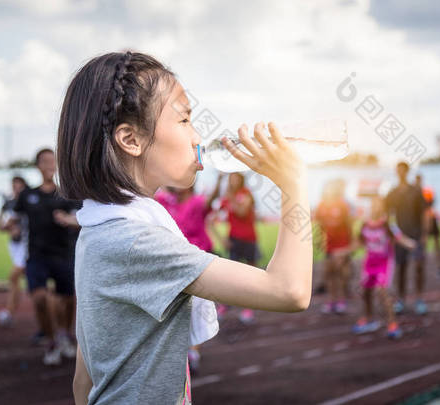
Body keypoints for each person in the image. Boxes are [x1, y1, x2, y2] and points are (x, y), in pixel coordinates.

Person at [58, 51, 312, 405]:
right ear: (130, 139)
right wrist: (294, 185)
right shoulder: (135, 242)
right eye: (185, 119)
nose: (197, 135)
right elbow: (289, 291)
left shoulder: (100, 229)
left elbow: (83, 382)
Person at [13, 149, 80, 365]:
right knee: (40, 298)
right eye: (45, 161)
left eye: (53, 161)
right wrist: (11, 227)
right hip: (37, 256)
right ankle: (50, 340)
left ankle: (64, 334)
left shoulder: (67, 194)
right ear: (38, 166)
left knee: (68, 299)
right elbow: (14, 217)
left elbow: (80, 218)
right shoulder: (27, 195)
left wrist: (69, 219)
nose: (50, 165)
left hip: (64, 254)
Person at [155, 179, 222, 374]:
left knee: (197, 308)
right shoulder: (166, 202)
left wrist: (219, 178)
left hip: (198, 262)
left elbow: (211, 201)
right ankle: (184, 351)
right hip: (174, 264)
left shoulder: (198, 202)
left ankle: (193, 352)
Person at [351, 196, 415, 339]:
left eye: (378, 205)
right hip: (369, 263)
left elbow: (400, 238)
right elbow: (358, 243)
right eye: (373, 205)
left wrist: (410, 244)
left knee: (382, 292)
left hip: (384, 262)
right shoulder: (364, 224)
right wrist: (344, 253)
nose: (375, 207)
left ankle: (392, 324)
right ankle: (368, 318)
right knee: (366, 292)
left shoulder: (387, 224)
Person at [385, 162, 429, 315]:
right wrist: (391, 235)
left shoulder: (415, 191)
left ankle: (419, 299)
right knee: (401, 268)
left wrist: (424, 234)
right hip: (400, 237)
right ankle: (401, 299)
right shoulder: (393, 192)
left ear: (407, 172)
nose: (400, 173)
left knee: (418, 267)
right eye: (398, 171)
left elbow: (424, 213)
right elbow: (388, 216)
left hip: (416, 235)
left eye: (403, 171)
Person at [216, 172, 260, 324]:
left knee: (251, 275)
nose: (232, 181)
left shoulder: (245, 193)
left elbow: (242, 212)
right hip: (234, 240)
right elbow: (212, 215)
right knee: (231, 276)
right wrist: (221, 239)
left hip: (249, 239)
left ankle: (248, 308)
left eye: (235, 178)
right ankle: (225, 305)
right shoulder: (227, 197)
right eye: (230, 179)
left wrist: (231, 198)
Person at [315, 178, 353, 314]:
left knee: (339, 274)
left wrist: (349, 247)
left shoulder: (342, 205)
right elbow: (319, 224)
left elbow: (349, 224)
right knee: (328, 273)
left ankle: (341, 300)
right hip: (328, 246)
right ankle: (331, 300)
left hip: (341, 245)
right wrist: (320, 240)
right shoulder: (321, 205)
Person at [0, 176, 29, 327]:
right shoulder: (8, 203)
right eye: (14, 185)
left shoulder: (29, 201)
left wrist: (18, 228)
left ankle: (9, 311)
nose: (16, 188)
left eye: (19, 185)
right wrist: (9, 226)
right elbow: (0, 226)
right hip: (14, 246)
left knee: (14, 276)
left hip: (27, 244)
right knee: (20, 279)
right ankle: (11, 311)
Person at [421, 184, 440, 279]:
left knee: (426, 247)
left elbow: (428, 221)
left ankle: (424, 269)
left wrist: (424, 233)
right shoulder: (430, 208)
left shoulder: (427, 209)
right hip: (432, 220)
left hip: (430, 221)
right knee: (436, 247)